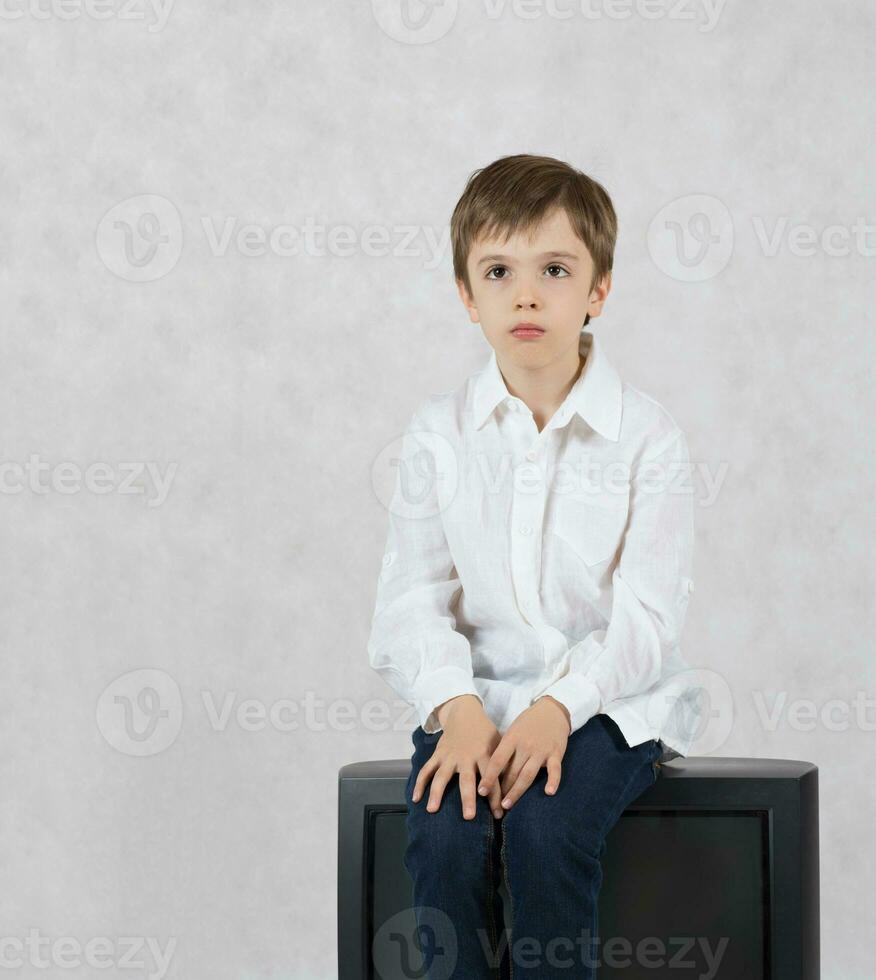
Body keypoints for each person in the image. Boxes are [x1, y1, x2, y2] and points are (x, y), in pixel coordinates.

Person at [366, 153, 699, 978]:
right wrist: (455, 705)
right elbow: (412, 599)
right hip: (477, 703)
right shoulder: (437, 436)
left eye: (555, 269)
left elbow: (648, 620)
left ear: (598, 291)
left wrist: (561, 706)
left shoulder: (648, 439)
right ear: (465, 295)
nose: (526, 294)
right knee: (445, 836)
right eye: (499, 271)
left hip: (604, 704)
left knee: (547, 831)